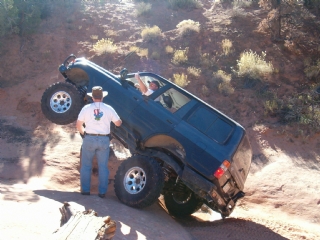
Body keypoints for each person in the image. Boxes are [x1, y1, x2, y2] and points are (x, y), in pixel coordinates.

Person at [76, 86, 122, 198]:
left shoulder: (86, 108)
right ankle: (102, 192)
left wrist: (83, 133)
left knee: (86, 166)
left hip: (89, 138)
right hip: (104, 139)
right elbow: (118, 123)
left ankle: (85, 191)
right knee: (103, 167)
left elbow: (78, 125)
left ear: (92, 97)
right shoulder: (109, 108)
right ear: (102, 97)